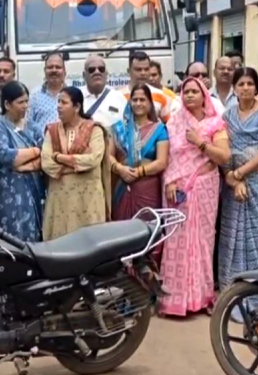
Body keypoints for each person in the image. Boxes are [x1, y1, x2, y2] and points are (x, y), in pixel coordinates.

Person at [161, 77, 230, 317]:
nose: (189, 95)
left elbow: (224, 157)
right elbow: (168, 157)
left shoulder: (214, 123)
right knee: (176, 241)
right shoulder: (173, 123)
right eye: (186, 91)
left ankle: (202, 297)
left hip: (204, 187)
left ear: (204, 96)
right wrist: (170, 181)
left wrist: (201, 143)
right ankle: (175, 300)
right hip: (177, 189)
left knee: (202, 242)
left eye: (194, 91)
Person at [219, 67, 258, 292]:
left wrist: (239, 173)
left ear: (257, 87)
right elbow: (224, 149)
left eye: (250, 84)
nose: (245, 88)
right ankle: (232, 290)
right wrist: (233, 178)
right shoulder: (227, 116)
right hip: (233, 185)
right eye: (241, 84)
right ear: (234, 88)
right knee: (232, 236)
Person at [41, 87, 111, 240]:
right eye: (58, 102)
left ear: (77, 107)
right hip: (60, 201)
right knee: (60, 245)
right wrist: (78, 166)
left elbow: (93, 159)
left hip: (88, 201)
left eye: (64, 102)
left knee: (90, 243)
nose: (58, 106)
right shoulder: (52, 131)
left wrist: (60, 157)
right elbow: (46, 163)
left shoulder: (94, 130)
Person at [0, 81, 45, 242]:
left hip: (34, 190)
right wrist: (35, 151)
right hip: (8, 193)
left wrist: (25, 166)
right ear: (7, 104)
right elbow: (6, 156)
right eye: (20, 102)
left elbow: (46, 156)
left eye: (27, 101)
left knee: (34, 236)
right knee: (9, 237)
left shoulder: (33, 127)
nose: (25, 106)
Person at [110, 83, 169, 221]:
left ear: (150, 103)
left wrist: (139, 172)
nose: (138, 103)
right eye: (134, 100)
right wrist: (120, 169)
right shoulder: (119, 129)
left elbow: (162, 162)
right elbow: (109, 156)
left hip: (148, 187)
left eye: (142, 100)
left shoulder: (159, 129)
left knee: (148, 227)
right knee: (121, 227)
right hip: (122, 184)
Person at [119, 51, 170, 121]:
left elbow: (169, 123)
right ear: (129, 71)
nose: (143, 73)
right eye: (138, 69)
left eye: (146, 69)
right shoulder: (118, 96)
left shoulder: (160, 95)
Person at [26, 51, 66, 138]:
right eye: (50, 67)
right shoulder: (34, 96)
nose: (54, 70)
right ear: (45, 71)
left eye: (58, 67)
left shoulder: (72, 94)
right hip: (42, 145)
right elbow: (28, 126)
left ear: (64, 71)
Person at [81, 55, 127, 128]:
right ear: (84, 75)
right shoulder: (76, 98)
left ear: (106, 74)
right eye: (91, 69)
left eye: (101, 69)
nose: (97, 72)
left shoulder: (119, 98)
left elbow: (127, 125)